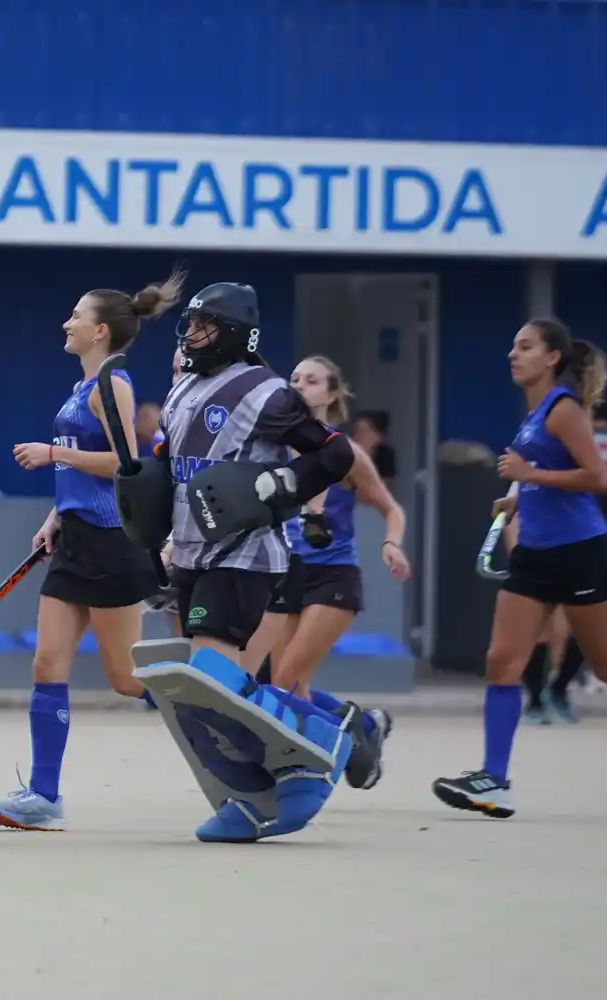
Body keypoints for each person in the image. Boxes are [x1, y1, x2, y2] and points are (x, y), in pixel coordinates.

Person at [118, 281, 365, 843]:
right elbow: (169, 464)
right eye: (191, 324)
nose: (192, 334)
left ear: (233, 334)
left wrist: (281, 486)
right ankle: (256, 794)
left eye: (204, 325)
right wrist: (153, 524)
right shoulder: (183, 390)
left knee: (208, 680)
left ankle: (319, 742)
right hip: (192, 550)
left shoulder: (268, 392)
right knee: (195, 693)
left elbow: (335, 453)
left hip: (247, 552)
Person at [0, 274, 181, 832]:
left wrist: (50, 454)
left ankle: (219, 708)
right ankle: (45, 796)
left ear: (99, 331)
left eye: (76, 316)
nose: (66, 323)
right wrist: (55, 515)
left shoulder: (112, 384)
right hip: (74, 540)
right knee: (47, 664)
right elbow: (82, 467)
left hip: (113, 546)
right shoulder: (79, 389)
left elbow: (126, 463)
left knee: (125, 678)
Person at [432, 323, 607, 819]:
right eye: (513, 345)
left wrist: (529, 476)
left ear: (553, 357)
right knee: (501, 662)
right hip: (533, 553)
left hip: (580, 551)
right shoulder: (533, 414)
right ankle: (493, 780)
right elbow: (540, 478)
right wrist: (517, 499)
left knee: (606, 667)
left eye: (526, 347)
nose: (513, 354)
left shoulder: (563, 410)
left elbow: (597, 478)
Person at [248, 356, 411, 790]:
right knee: (284, 687)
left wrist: (391, 542)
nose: (301, 385)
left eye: (313, 380)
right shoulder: (276, 450)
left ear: (332, 394)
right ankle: (360, 726)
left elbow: (390, 508)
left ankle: (323, 763)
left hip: (334, 576)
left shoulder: (346, 453)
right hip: (287, 575)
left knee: (285, 680)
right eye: (295, 378)